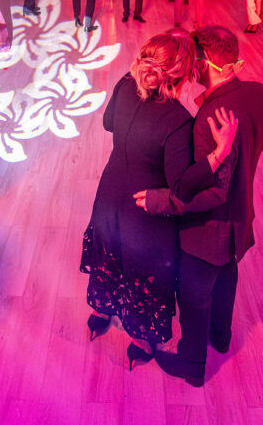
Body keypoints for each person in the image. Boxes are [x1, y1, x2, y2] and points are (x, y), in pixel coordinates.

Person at [80, 31, 238, 372]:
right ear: (184, 74)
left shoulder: (125, 84)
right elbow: (181, 186)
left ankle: (100, 313)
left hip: (110, 192)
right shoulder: (178, 121)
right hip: (144, 209)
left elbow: (108, 123)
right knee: (143, 271)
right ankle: (139, 340)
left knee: (108, 253)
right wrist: (218, 154)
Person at [136, 26, 263, 387]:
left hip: (207, 230)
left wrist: (160, 199)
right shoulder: (257, 93)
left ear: (202, 63)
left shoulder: (209, 119)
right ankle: (221, 336)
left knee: (193, 295)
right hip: (240, 217)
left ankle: (192, 365)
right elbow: (259, 145)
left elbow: (212, 192)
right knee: (226, 275)